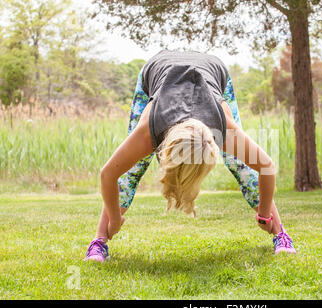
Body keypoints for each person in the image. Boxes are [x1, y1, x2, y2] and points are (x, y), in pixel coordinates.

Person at [84, 50, 296, 262]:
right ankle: (99, 241)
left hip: (212, 70)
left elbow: (265, 165)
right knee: (132, 170)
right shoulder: (149, 130)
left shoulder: (224, 128)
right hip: (156, 70)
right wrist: (114, 220)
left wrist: (264, 215)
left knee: (241, 165)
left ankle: (280, 234)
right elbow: (108, 174)